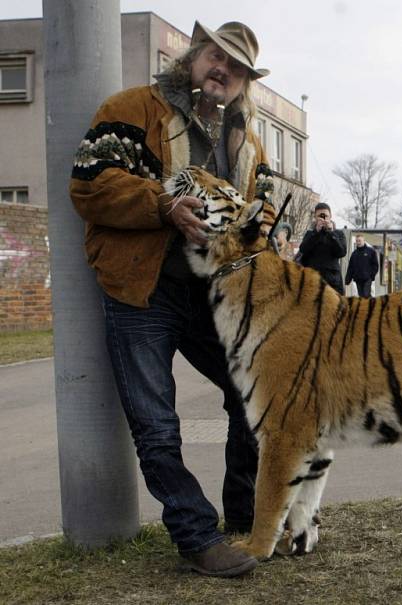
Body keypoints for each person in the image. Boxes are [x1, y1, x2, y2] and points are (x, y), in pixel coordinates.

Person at [69, 21, 274, 578]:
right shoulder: (133, 107)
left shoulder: (246, 140)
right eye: (216, 57)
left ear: (244, 84)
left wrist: (263, 226)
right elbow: (90, 184)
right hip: (143, 288)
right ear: (193, 56)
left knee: (254, 398)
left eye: (236, 70)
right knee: (157, 422)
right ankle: (196, 535)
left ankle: (243, 514)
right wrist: (162, 204)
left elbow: (263, 203)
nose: (222, 71)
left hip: (215, 294)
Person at [298, 202, 347, 294]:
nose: (323, 218)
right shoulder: (310, 234)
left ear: (330, 216)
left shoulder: (338, 234)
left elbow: (342, 252)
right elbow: (303, 249)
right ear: (315, 218)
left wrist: (331, 233)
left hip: (332, 282)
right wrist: (316, 232)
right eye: (320, 216)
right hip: (313, 281)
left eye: (326, 216)